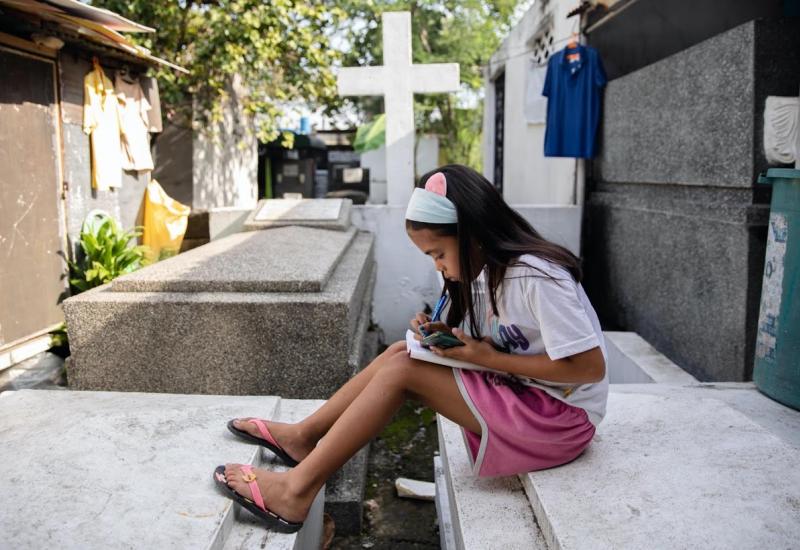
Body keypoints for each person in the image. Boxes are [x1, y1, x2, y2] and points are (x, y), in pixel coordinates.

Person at [213, 164, 608, 532]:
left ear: (472, 235)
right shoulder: (478, 275)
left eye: (438, 253)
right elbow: (490, 340)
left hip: (562, 418)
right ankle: (302, 436)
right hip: (525, 395)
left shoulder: (536, 277)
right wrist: (438, 333)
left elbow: (589, 367)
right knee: (400, 354)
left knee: (404, 373)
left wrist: (489, 358)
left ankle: (295, 492)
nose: (437, 265)